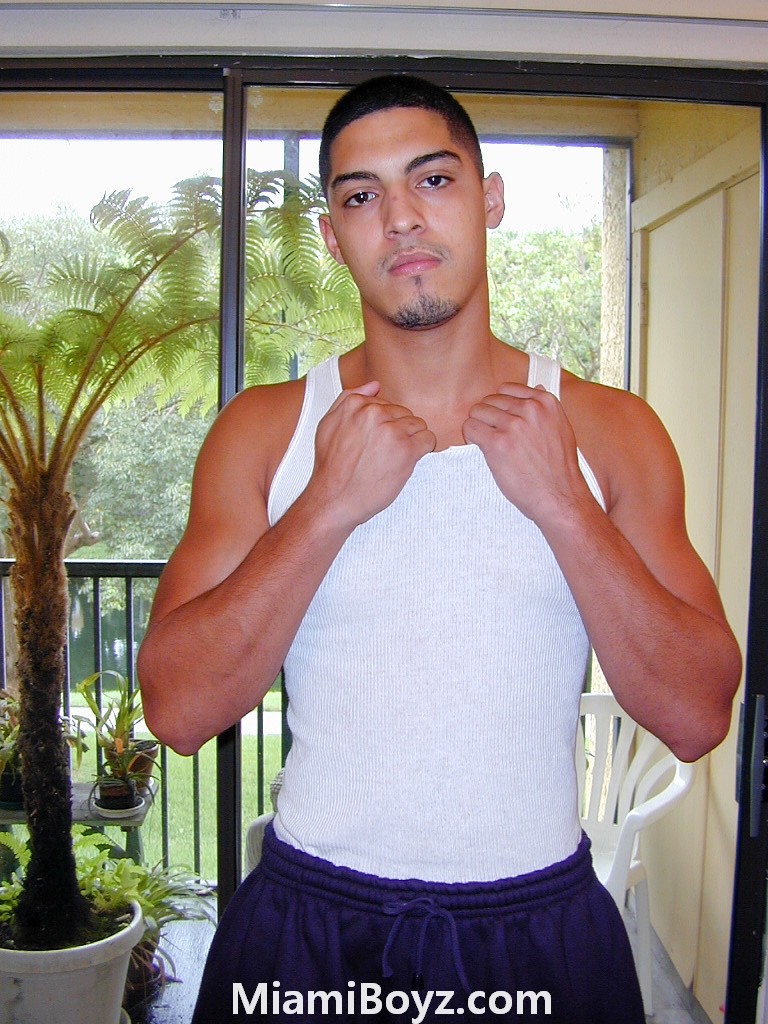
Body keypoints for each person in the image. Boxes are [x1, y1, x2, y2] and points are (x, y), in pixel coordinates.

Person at [137, 74, 741, 1023]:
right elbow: (177, 710)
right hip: (308, 929)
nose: (402, 220)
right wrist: (326, 505)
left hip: (540, 926)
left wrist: (564, 505)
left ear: (489, 199)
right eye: (362, 196)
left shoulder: (610, 430)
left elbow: (698, 714)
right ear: (333, 236)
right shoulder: (266, 432)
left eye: (434, 179)